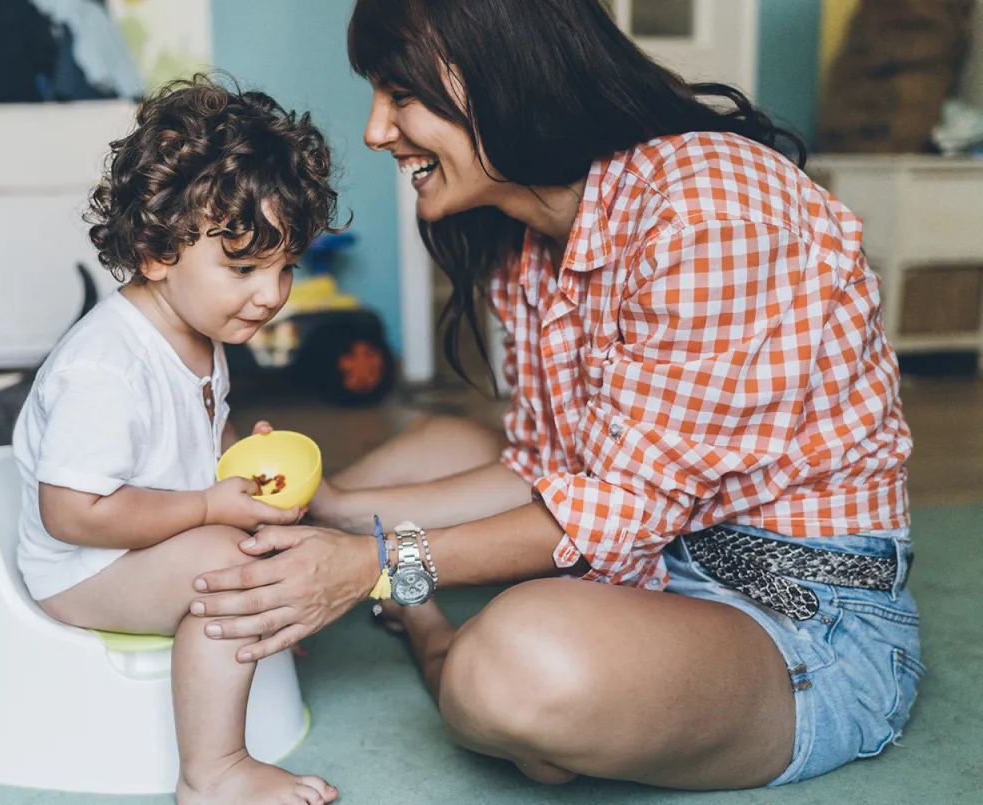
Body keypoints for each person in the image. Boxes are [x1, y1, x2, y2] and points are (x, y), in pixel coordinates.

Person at [186, 0, 921, 791]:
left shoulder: (710, 209)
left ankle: (435, 642)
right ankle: (346, 564)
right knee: (450, 444)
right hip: (645, 563)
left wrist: (374, 564)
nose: (375, 130)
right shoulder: (531, 243)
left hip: (801, 617)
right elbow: (548, 466)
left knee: (511, 669)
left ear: (504, 75)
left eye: (401, 94)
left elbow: (614, 511)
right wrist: (334, 508)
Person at [11, 76, 342, 805]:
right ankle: (213, 772)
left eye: (286, 266)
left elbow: (203, 428)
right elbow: (72, 512)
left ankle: (251, 637)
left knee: (275, 537)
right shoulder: (107, 366)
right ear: (157, 249)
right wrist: (208, 508)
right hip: (83, 568)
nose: (272, 294)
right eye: (244, 267)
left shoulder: (198, 326)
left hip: (147, 542)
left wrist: (240, 467)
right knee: (230, 562)